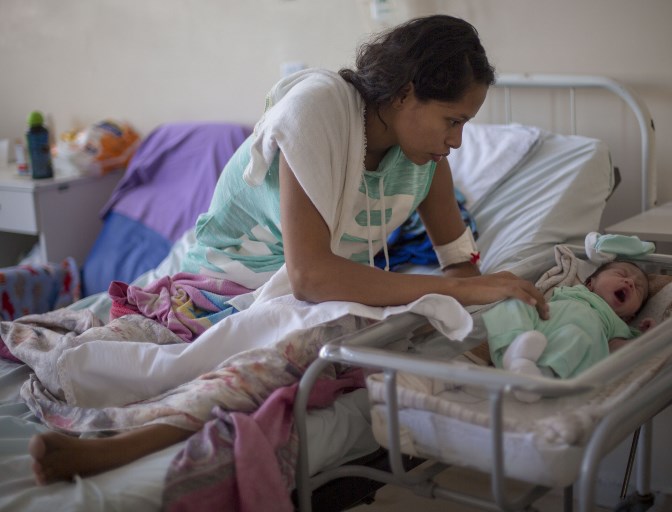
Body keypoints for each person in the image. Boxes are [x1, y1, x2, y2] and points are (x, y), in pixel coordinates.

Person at [28, 15, 548, 485]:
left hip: (311, 295)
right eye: (452, 121)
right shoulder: (318, 111)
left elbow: (460, 265)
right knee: (312, 345)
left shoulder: (425, 162)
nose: (457, 141)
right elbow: (311, 277)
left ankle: (141, 435)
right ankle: (128, 441)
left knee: (359, 340)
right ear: (406, 93)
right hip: (227, 287)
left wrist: (486, 309)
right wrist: (455, 291)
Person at [482, 260, 656, 402]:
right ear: (590, 283)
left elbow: (614, 350)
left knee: (580, 336)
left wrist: (647, 338)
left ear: (630, 317)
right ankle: (512, 349)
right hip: (540, 324)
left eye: (638, 289)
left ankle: (538, 377)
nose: (630, 282)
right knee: (518, 301)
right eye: (621, 274)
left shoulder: (617, 324)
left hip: (559, 347)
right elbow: (543, 296)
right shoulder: (572, 291)